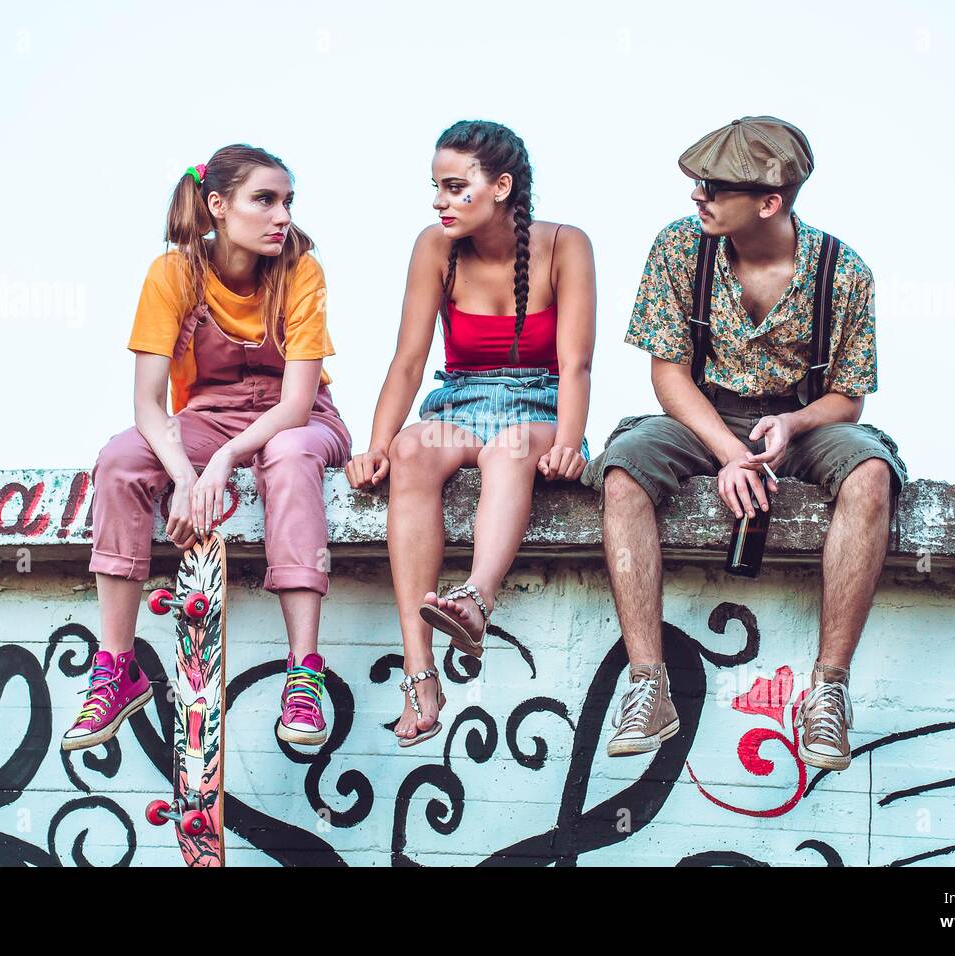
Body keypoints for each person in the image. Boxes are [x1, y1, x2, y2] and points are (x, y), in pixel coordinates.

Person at [580, 116, 909, 768]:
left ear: (770, 202)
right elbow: (668, 375)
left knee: (871, 470)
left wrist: (792, 426)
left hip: (805, 422)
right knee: (623, 468)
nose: (697, 198)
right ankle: (649, 685)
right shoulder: (680, 248)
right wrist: (730, 454)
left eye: (714, 187)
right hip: (701, 415)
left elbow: (848, 397)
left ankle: (828, 694)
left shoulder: (844, 273)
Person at [62, 144, 351, 753]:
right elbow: (148, 405)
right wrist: (185, 478)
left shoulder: (302, 270)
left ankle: (304, 673)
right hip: (206, 416)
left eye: (287, 202)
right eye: (265, 200)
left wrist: (220, 462)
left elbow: (296, 406)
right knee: (119, 460)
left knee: (290, 456)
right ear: (218, 206)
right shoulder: (173, 274)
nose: (282, 217)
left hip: (296, 419)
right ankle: (117, 670)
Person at [346, 120, 596, 747]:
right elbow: (407, 361)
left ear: (502, 186)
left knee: (510, 453)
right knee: (410, 451)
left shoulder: (567, 245)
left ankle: (476, 602)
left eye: (456, 187)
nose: (439, 201)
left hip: (539, 402)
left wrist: (568, 438)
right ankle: (420, 669)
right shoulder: (435, 246)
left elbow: (575, 364)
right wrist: (377, 444)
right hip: (460, 399)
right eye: (436, 187)